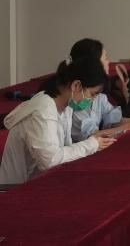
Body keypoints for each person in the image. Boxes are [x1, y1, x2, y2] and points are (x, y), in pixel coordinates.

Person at [0, 53, 115, 184]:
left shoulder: (66, 107)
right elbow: (49, 161)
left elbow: (65, 147)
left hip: (39, 182)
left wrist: (93, 142)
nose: (92, 100)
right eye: (92, 94)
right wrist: (91, 144)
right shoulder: (44, 110)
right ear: (76, 85)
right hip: (15, 188)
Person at [69, 38, 130, 142]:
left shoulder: (99, 96)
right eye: (106, 58)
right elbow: (92, 137)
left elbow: (113, 120)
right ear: (93, 63)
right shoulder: (75, 98)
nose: (108, 62)